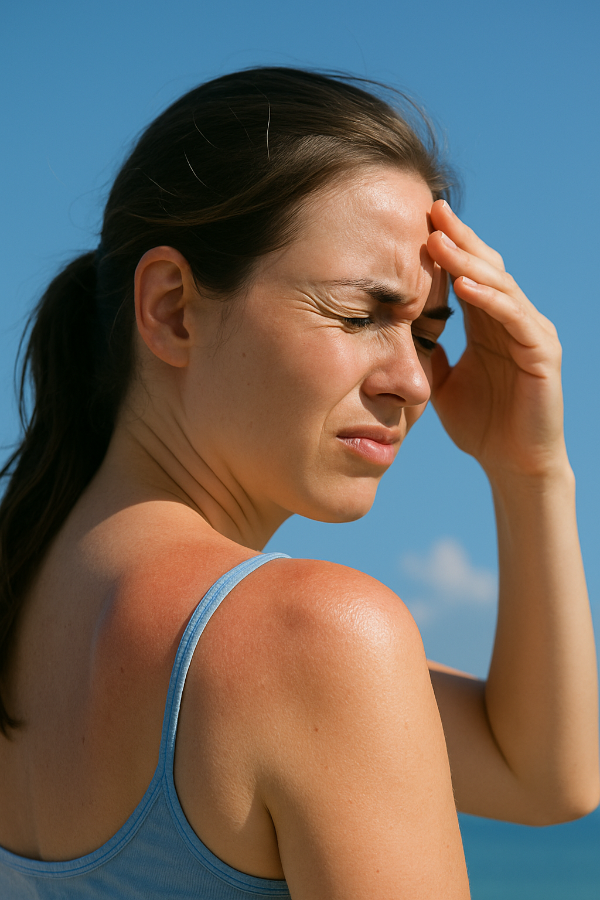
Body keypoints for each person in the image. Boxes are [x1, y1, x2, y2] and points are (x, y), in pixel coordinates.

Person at [0, 67, 597, 900]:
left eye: (427, 330)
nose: (415, 382)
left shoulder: (22, 600)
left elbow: (544, 776)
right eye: (361, 315)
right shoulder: (315, 636)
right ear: (172, 308)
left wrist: (527, 469)